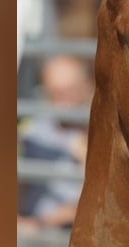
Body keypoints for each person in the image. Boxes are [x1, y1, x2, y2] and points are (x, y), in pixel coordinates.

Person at [17, 55, 93, 230]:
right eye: (54, 94)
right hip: (29, 225)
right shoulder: (34, 130)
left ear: (86, 88)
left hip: (70, 229)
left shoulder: (97, 132)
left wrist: (41, 223)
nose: (62, 102)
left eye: (70, 92)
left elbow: (93, 201)